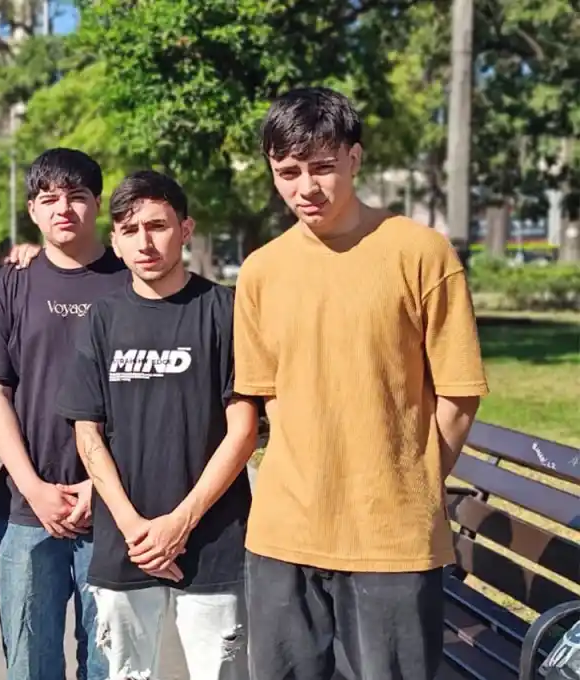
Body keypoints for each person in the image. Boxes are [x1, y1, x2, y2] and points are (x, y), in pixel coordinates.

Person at [234, 86, 489, 680]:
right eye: (288, 171)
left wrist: (414, 480)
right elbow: (266, 397)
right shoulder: (262, 271)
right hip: (283, 533)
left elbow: (458, 392)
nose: (306, 188)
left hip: (390, 538)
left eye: (322, 166)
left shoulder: (419, 253)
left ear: (356, 158)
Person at [57, 170, 254, 680]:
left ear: (185, 229)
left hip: (213, 540)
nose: (144, 241)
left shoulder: (224, 311)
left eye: (157, 225)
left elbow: (243, 431)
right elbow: (87, 433)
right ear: (116, 242)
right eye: (129, 229)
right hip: (126, 542)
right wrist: (133, 528)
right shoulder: (101, 320)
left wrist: (180, 523)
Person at [0, 147, 128, 680]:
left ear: (98, 204)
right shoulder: (12, 284)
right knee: (28, 662)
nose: (63, 209)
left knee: (110, 663)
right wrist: (34, 487)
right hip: (27, 508)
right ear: (32, 210)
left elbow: (146, 397)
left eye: (77, 197)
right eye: (49, 199)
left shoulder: (132, 280)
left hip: (114, 506)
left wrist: (101, 485)